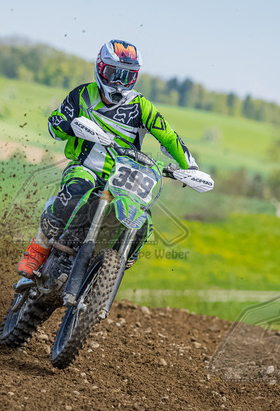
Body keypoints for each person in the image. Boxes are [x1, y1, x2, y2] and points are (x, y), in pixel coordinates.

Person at [17, 39, 200, 277]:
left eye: (127, 76)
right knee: (74, 193)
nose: (119, 83)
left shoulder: (141, 106)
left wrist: (190, 167)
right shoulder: (83, 94)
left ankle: (119, 262)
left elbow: (168, 136)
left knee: (143, 218)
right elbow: (55, 126)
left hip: (125, 178)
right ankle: (37, 250)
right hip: (86, 168)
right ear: (101, 68)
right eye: (114, 74)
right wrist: (72, 125)